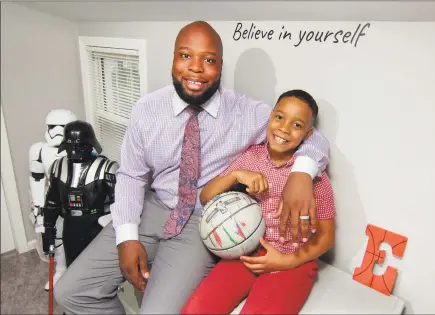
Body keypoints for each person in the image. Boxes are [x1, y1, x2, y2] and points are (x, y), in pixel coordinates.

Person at [54, 21, 330, 314]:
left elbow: (314, 137)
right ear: (173, 59)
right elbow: (131, 176)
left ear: (220, 66)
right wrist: (127, 237)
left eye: (208, 60)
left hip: (202, 223)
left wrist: (301, 174)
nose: (196, 68)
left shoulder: (248, 113)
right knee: (69, 292)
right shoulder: (146, 110)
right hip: (153, 207)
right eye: (185, 56)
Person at [182, 89, 336, 315]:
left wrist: (286, 262)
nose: (284, 128)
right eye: (280, 117)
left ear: (308, 134)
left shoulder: (314, 178)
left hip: (292, 261)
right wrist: (236, 175)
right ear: (270, 116)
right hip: (248, 251)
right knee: (194, 311)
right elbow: (206, 196)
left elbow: (327, 236)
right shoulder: (251, 157)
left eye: (297, 125)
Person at [42, 120, 118, 267]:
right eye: (70, 147)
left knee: (99, 269)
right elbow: (52, 202)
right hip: (71, 226)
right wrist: (48, 228)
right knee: (73, 266)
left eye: (79, 146)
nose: (74, 151)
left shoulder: (107, 168)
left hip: (97, 225)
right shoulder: (58, 167)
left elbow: (120, 206)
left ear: (90, 145)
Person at [28, 109, 77, 290]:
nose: (56, 131)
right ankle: (61, 269)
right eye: (52, 127)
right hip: (55, 198)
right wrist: (39, 213)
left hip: (79, 198)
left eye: (61, 127)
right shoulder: (39, 150)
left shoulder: (80, 146)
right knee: (56, 236)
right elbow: (37, 181)